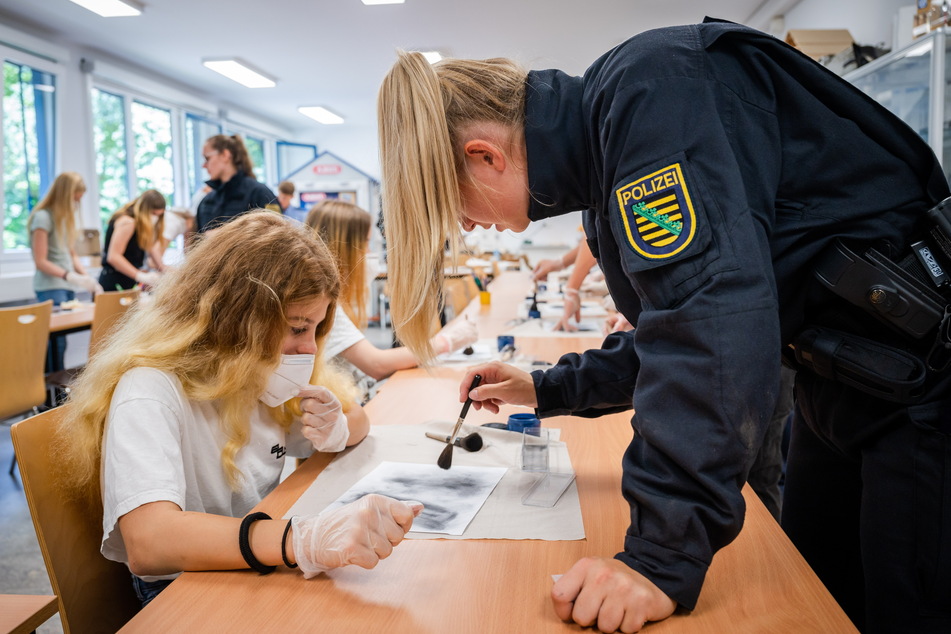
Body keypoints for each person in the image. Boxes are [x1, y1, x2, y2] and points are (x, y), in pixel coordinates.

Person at [377, 18, 951, 633]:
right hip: (838, 385)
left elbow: (711, 323)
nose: (466, 226)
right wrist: (546, 389)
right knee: (820, 600)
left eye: (455, 206)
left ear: (485, 156)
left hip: (921, 391)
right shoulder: (606, 173)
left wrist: (658, 557)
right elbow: (670, 332)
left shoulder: (648, 96)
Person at [53, 211, 422, 606]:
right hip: (185, 588)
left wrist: (339, 427)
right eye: (298, 328)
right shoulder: (150, 390)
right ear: (236, 319)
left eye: (316, 329)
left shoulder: (256, 375)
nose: (311, 348)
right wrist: (296, 539)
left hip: (253, 562)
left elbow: (359, 419)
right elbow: (150, 542)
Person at [305, 200, 477, 402]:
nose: (369, 253)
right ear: (345, 249)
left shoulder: (337, 302)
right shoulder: (324, 307)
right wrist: (444, 342)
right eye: (366, 244)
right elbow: (376, 364)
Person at [28, 171, 103, 370]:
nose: (76, 204)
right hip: (51, 287)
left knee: (63, 343)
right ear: (64, 194)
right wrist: (69, 275)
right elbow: (40, 261)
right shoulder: (43, 218)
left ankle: (57, 391)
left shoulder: (64, 219)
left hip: (67, 286)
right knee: (55, 344)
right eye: (74, 198)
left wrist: (87, 278)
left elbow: (72, 255)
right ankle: (50, 396)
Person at [195, 134, 276, 234]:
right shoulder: (206, 202)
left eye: (207, 158)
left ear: (225, 155)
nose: (204, 165)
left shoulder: (260, 193)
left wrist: (223, 236)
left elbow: (277, 236)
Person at [98, 189, 168, 291]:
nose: (156, 218)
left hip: (129, 282)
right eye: (153, 213)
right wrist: (140, 276)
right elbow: (113, 257)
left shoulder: (143, 226)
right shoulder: (128, 222)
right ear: (144, 209)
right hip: (115, 283)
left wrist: (164, 269)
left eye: (159, 215)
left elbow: (152, 248)